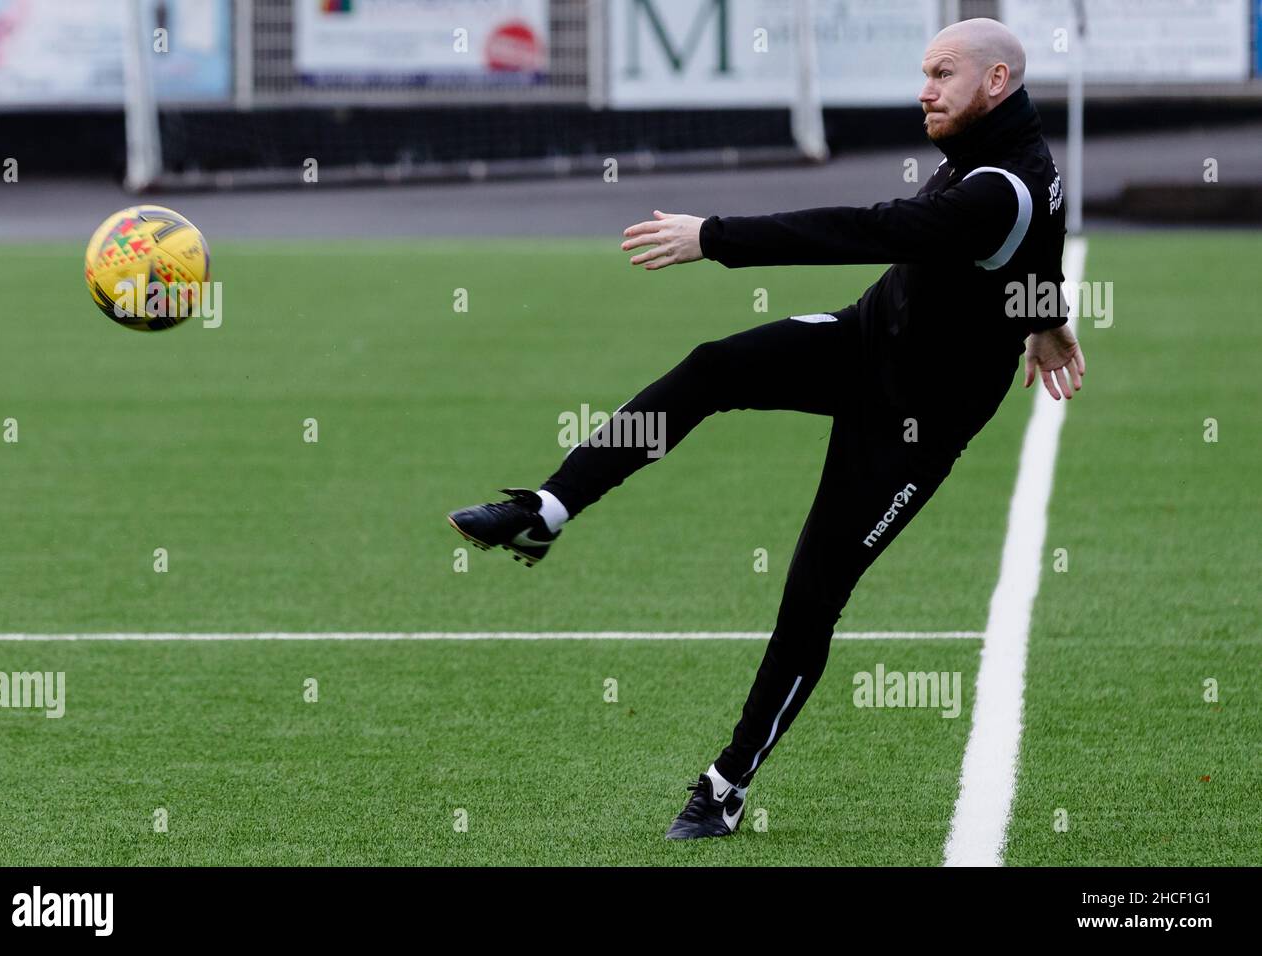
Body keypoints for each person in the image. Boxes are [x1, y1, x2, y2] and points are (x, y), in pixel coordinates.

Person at [447, 18, 1085, 840]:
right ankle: (548, 509)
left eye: (942, 74)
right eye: (923, 72)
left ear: (996, 82)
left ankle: (726, 783)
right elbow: (1040, 242)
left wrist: (712, 237)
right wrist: (1047, 317)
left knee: (811, 597)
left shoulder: (1003, 181)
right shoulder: (1006, 153)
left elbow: (872, 228)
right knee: (714, 368)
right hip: (867, 341)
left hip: (913, 426)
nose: (924, 89)